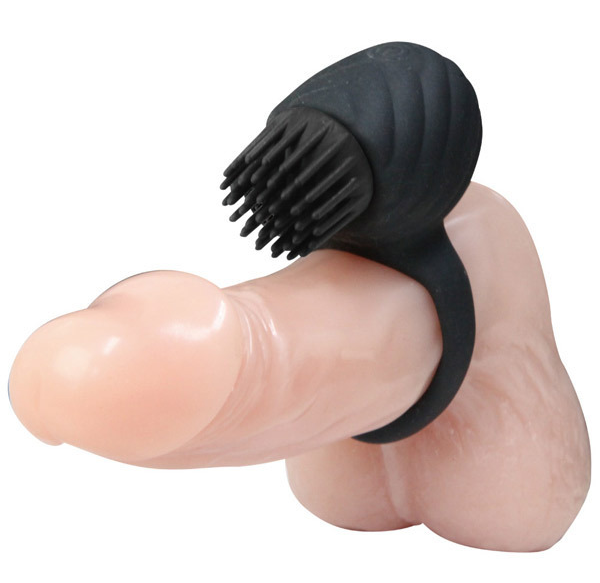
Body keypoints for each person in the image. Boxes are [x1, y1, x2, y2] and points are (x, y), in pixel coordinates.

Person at [8, 182, 590, 552]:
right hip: (356, 439)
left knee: (508, 504)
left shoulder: (479, 233)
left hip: (465, 401)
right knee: (356, 483)